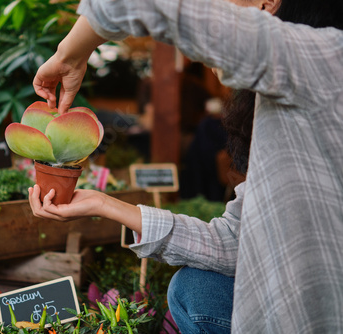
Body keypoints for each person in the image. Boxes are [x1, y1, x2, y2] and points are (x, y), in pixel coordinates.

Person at [28, 0, 343, 333]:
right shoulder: (290, 92)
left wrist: (70, 54)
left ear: (266, 4)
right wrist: (102, 204)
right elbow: (233, 242)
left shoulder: (323, 58)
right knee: (194, 289)